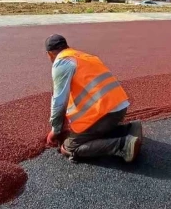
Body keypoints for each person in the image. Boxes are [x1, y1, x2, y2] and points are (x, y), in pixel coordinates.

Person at [45, 34, 143, 162]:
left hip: (105, 113)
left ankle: (123, 145)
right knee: (91, 133)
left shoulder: (61, 63)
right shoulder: (83, 56)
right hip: (119, 107)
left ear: (49, 54)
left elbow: (59, 101)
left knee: (70, 147)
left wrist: (55, 130)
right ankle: (129, 129)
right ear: (66, 46)